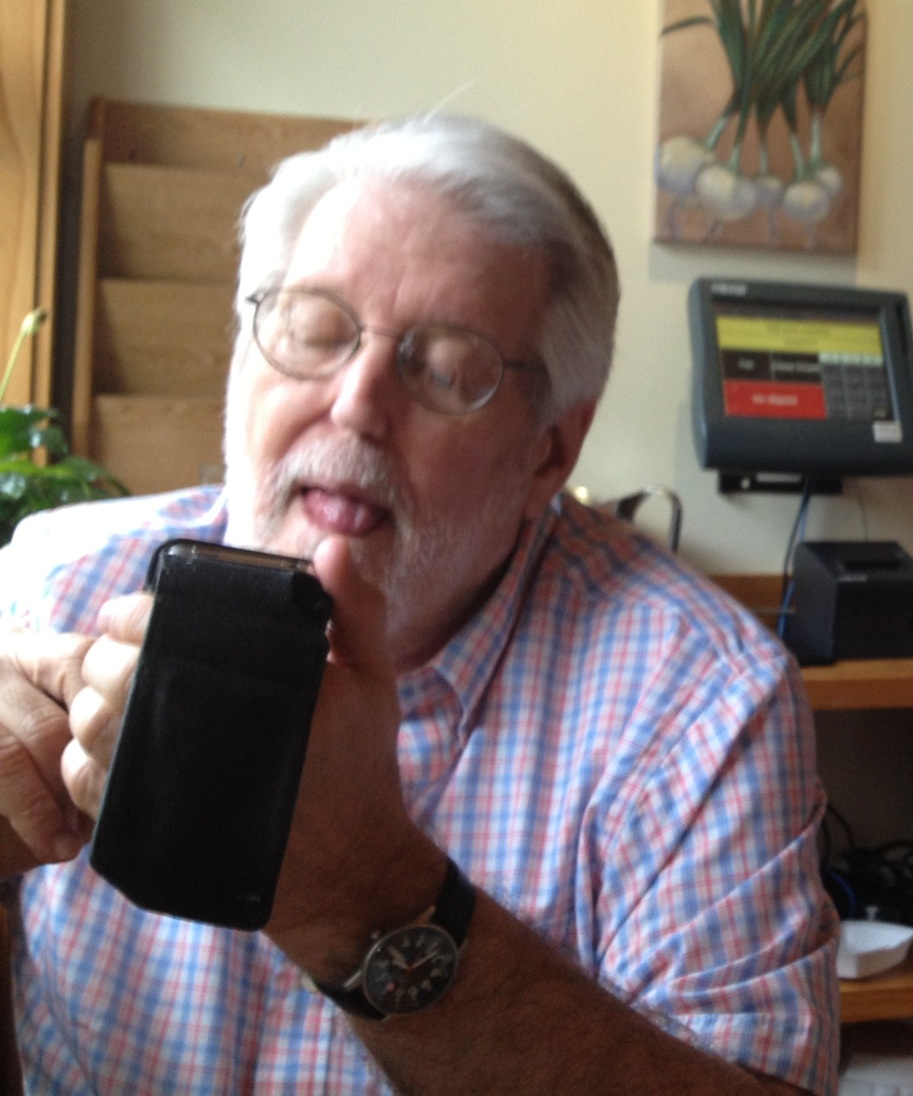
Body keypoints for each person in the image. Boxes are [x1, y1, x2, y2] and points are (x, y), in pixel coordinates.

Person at [0, 115, 838, 1093]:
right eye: (314, 331)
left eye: (445, 371)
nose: (357, 403)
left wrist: (364, 894)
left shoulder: (706, 704)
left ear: (550, 453)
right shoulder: (52, 589)